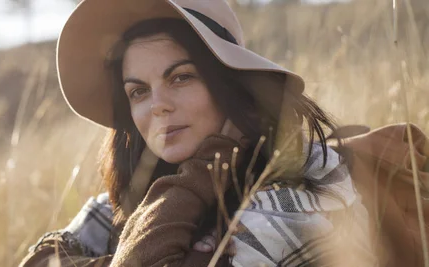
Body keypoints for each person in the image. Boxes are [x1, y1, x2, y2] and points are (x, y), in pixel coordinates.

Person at [20, 0, 374, 266]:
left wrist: (210, 165)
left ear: (229, 84)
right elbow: (40, 260)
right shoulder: (131, 198)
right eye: (138, 91)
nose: (158, 105)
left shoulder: (301, 188)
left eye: (181, 77)